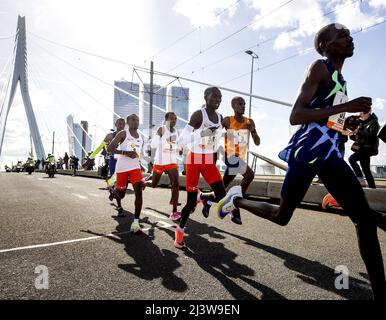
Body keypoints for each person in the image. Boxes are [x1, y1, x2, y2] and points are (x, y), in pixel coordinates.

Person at [216, 23, 386, 299]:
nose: (349, 38)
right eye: (341, 35)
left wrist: (348, 123)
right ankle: (235, 200)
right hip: (307, 152)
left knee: (363, 220)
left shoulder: (342, 80)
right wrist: (346, 107)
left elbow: (330, 120)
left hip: (330, 155)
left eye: (348, 34)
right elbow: (297, 115)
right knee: (282, 216)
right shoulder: (319, 67)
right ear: (325, 46)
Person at [175, 86, 236, 249]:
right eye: (215, 96)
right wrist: (202, 133)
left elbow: (216, 141)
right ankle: (179, 231)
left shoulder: (220, 117)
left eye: (220, 97)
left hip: (208, 160)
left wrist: (223, 150)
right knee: (189, 204)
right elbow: (180, 141)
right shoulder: (198, 115)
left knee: (222, 194)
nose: (218, 100)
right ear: (205, 97)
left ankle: (206, 199)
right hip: (194, 159)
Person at [222, 96, 260, 224]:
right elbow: (214, 133)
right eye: (240, 104)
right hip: (230, 157)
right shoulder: (227, 120)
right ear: (233, 106)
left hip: (240, 158)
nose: (243, 106)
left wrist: (252, 130)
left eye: (244, 104)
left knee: (221, 188)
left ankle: (203, 197)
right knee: (249, 174)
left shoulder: (249, 122)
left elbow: (258, 142)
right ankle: (234, 204)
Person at [107, 114, 145, 233]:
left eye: (137, 120)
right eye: (133, 120)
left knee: (138, 192)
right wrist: (125, 152)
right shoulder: (123, 134)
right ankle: (114, 191)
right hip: (122, 168)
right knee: (121, 194)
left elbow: (138, 153)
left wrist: (141, 164)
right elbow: (109, 148)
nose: (136, 121)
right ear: (128, 122)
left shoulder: (141, 137)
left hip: (135, 168)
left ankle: (136, 222)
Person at [147, 112, 181, 221]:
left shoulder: (176, 131)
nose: (174, 120)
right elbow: (153, 144)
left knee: (175, 184)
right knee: (153, 185)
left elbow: (176, 145)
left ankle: (174, 211)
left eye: (175, 118)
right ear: (166, 120)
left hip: (171, 162)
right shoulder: (161, 129)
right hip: (160, 162)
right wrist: (166, 141)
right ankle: (144, 182)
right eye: (171, 118)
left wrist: (178, 148)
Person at [84, 119, 126, 189]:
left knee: (121, 176)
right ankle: (111, 186)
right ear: (115, 125)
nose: (121, 126)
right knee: (112, 176)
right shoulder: (110, 136)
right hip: (113, 158)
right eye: (120, 124)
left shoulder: (127, 135)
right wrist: (90, 158)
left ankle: (113, 185)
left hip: (123, 158)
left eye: (123, 124)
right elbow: (100, 147)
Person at [348, 110, 380, 189]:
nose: (360, 114)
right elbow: (358, 137)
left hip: (368, 148)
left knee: (351, 159)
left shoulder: (374, 122)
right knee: (366, 170)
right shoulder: (362, 123)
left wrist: (357, 132)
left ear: (368, 113)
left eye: (362, 113)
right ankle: (372, 188)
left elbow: (372, 135)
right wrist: (352, 134)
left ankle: (360, 178)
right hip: (363, 148)